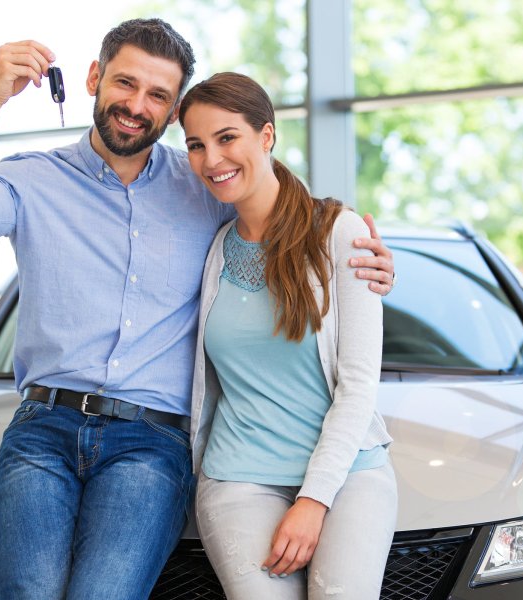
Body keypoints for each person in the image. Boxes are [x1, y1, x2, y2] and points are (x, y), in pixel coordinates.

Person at [0, 19, 395, 600]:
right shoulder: (31, 181)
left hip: (151, 440)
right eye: (125, 84)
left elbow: (284, 231)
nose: (137, 105)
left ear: (173, 107)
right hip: (43, 428)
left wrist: (365, 260)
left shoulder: (204, 189)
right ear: (94, 78)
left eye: (158, 95)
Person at [180, 72, 397, 600]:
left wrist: (314, 499)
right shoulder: (210, 249)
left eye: (227, 137)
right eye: (196, 145)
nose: (212, 159)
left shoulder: (338, 233)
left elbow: (359, 383)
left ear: (267, 136)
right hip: (238, 476)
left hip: (350, 475)